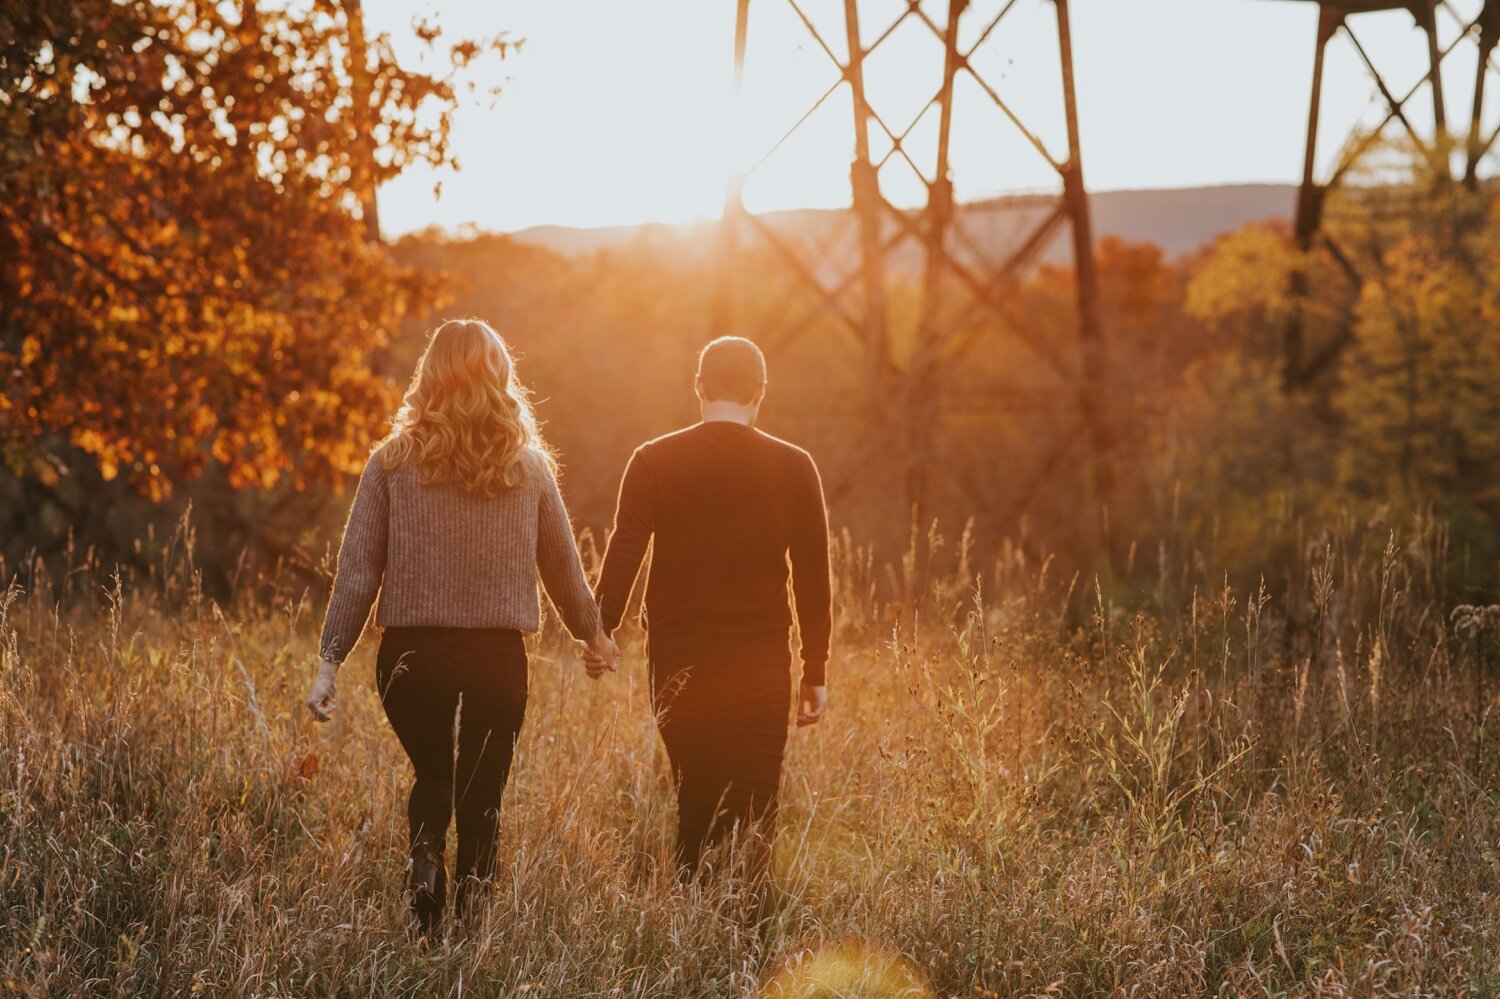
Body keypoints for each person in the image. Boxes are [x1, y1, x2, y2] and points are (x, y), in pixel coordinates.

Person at [304, 318, 617, 935]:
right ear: (500, 377)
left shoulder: (390, 462)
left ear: (431, 376)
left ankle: (424, 865)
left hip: (410, 658)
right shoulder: (527, 468)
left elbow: (357, 573)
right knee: (480, 799)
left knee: (434, 774)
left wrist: (328, 663)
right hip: (497, 659)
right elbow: (564, 571)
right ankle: (470, 936)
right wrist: (595, 637)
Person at [588, 335, 831, 894]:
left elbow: (625, 551)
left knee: (695, 802)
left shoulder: (653, 459)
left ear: (698, 387)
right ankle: (745, 942)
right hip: (761, 667)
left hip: (679, 663)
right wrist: (815, 669)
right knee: (755, 812)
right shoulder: (796, 467)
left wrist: (598, 633)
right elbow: (815, 578)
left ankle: (692, 941)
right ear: (760, 393)